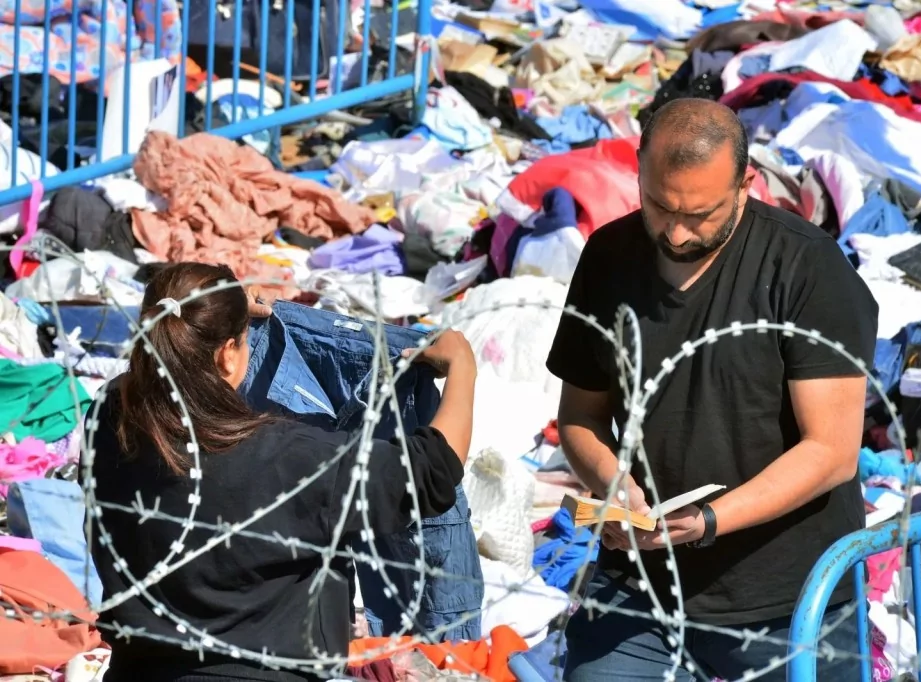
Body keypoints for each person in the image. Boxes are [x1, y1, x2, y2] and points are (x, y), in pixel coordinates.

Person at [546, 98, 879, 681]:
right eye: (658, 206)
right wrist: (612, 483)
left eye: (699, 214)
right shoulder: (607, 257)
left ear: (745, 184)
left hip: (788, 596)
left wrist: (709, 521)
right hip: (641, 589)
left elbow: (832, 452)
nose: (675, 231)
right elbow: (580, 416)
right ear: (640, 173)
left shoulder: (808, 269)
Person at [84, 262, 478, 682]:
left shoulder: (109, 421)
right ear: (227, 354)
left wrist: (212, 311)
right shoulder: (290, 461)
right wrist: (461, 367)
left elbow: (151, 372)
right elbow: (432, 471)